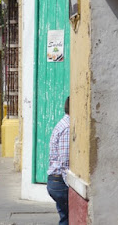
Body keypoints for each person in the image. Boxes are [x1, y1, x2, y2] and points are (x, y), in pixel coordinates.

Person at [47, 96, 70, 225]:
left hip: (57, 181)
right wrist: (70, 185)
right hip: (60, 181)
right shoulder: (67, 127)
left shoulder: (63, 124)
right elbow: (65, 161)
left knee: (65, 218)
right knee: (66, 219)